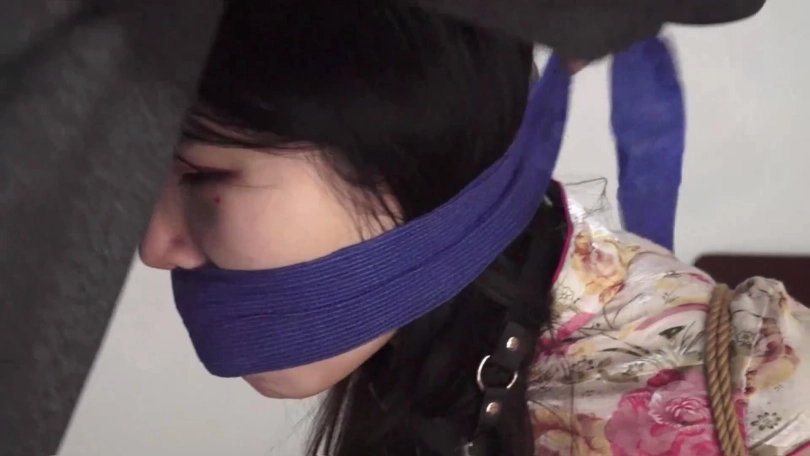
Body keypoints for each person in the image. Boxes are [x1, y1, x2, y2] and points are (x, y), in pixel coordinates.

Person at [139, 1, 808, 455]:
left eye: (202, 177)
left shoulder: (768, 401)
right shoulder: (415, 341)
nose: (152, 247)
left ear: (418, 154)